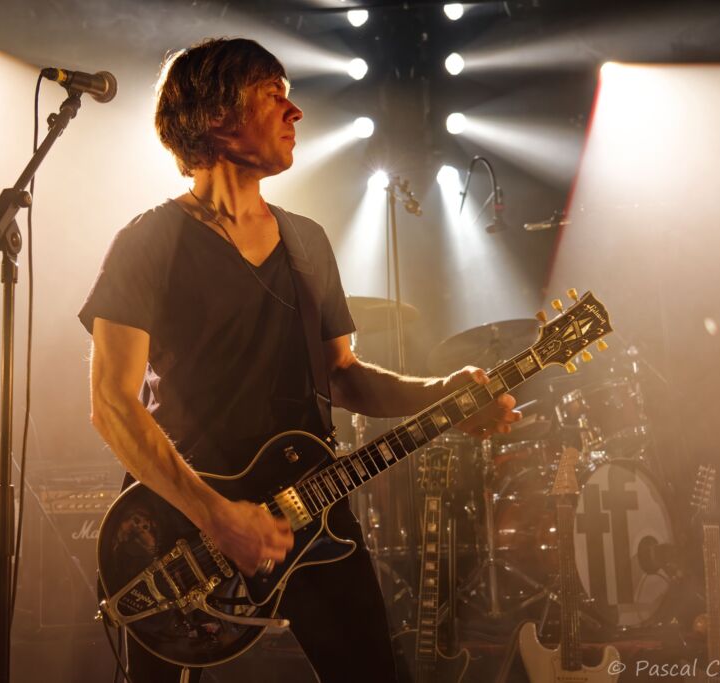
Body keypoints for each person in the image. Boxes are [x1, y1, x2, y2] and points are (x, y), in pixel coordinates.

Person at [80, 37, 520, 682]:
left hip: (309, 509)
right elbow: (112, 406)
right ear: (217, 114)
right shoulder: (148, 242)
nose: (296, 112)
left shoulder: (307, 241)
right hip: (179, 530)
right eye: (273, 95)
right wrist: (216, 516)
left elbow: (342, 375)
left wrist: (443, 393)